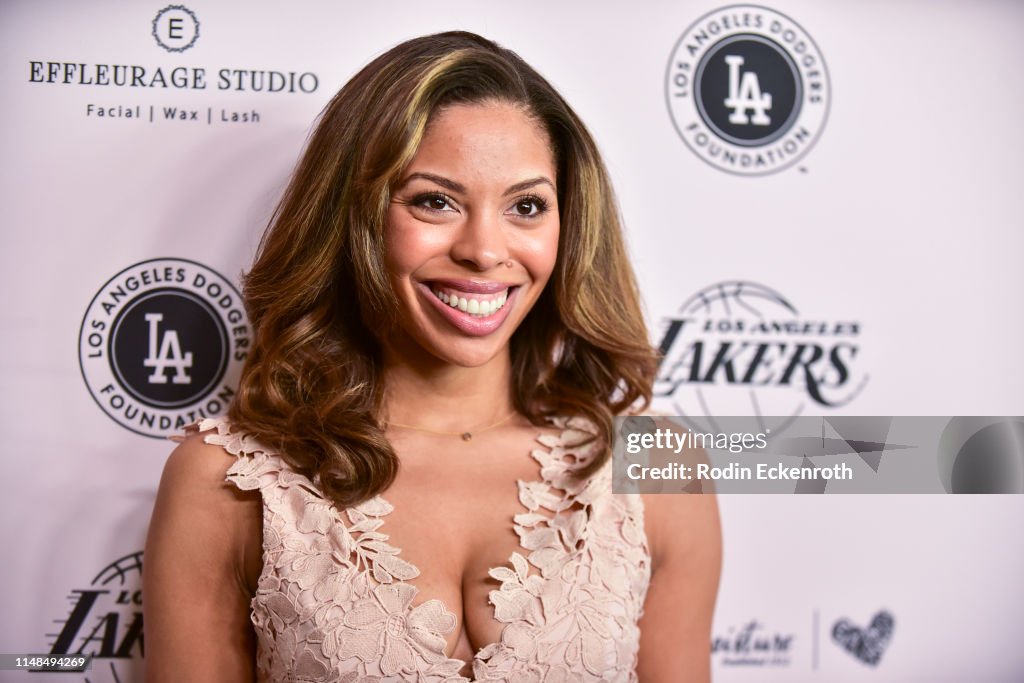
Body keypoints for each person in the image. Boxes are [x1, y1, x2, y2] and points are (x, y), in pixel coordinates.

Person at [143, 30, 721, 682]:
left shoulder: (662, 470)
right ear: (353, 215)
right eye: (435, 200)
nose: (483, 248)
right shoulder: (226, 480)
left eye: (526, 205)